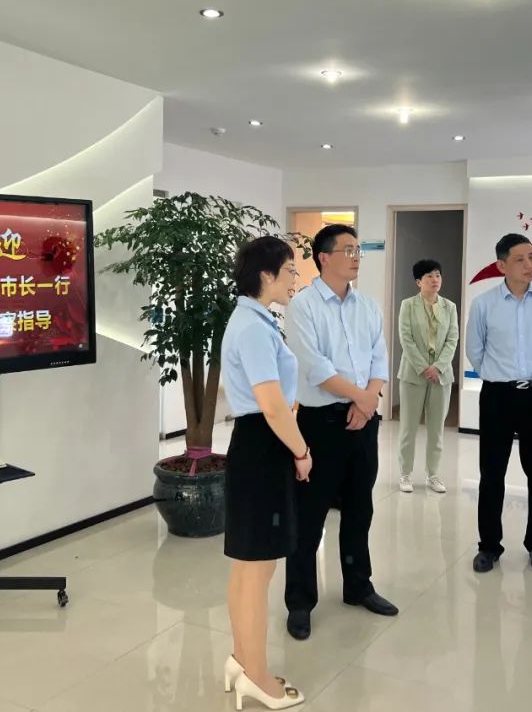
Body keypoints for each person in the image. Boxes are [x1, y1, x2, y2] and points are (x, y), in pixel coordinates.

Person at [283, 223, 398, 641]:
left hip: (362, 423)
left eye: (358, 250)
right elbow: (315, 367)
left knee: (359, 509)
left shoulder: (367, 306)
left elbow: (380, 357)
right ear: (324, 257)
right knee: (309, 515)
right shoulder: (303, 306)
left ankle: (358, 586)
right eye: (348, 250)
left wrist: (368, 400)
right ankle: (300, 602)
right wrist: (362, 398)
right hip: (321, 425)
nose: (356, 257)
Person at [220, 236, 311, 710]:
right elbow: (272, 406)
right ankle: (256, 676)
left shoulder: (253, 320)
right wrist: (301, 450)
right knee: (257, 571)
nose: (295, 279)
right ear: (266, 275)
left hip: (256, 443)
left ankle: (241, 660)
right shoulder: (253, 327)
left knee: (250, 565)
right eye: (290, 270)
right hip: (264, 445)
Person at [465, 233, 532, 574]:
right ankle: (489, 546)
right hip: (498, 396)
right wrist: (498, 376)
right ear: (502, 265)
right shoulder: (484, 304)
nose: (530, 265)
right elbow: (475, 350)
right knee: (492, 473)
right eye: (520, 259)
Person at [396, 259, 459, 493]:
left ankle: (433, 475)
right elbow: (406, 338)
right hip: (413, 374)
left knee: (436, 429)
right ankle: (405, 474)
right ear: (418, 282)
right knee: (408, 428)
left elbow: (452, 339)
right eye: (429, 276)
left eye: (438, 275)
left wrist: (438, 367)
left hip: (441, 376)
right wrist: (424, 367)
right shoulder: (408, 305)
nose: (435, 280)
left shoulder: (449, 307)